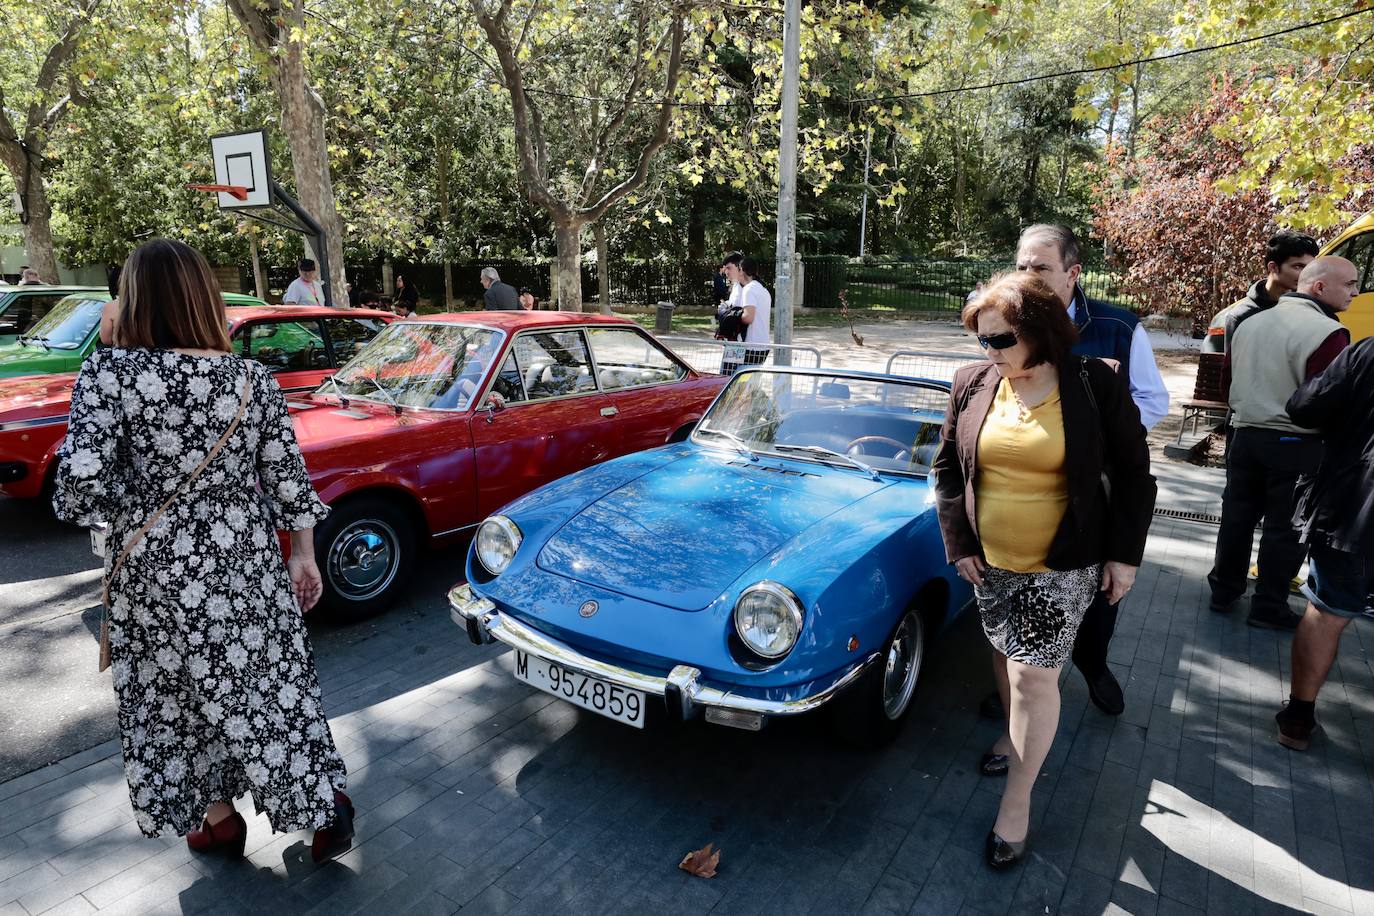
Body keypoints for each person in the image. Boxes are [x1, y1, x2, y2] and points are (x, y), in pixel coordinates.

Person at [51, 238, 354, 864]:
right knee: (268, 690)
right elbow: (288, 479)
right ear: (203, 299)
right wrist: (303, 555)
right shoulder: (249, 379)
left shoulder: (110, 373)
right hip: (242, 564)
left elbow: (80, 492)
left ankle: (217, 819)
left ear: (132, 299)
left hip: (153, 572)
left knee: (173, 699)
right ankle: (323, 809)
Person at [932, 270, 1155, 870]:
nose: (991, 352)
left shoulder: (1092, 385)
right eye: (982, 339)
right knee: (1006, 659)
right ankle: (1010, 736)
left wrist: (1125, 556)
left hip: (1064, 563)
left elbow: (1136, 474)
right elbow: (948, 470)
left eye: (1002, 340)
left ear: (1040, 333)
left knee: (1035, 676)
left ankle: (1016, 803)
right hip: (991, 563)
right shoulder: (972, 382)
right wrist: (959, 545)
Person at [1011, 223, 1168, 717]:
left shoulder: (1117, 327)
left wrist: (1102, 430)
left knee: (1100, 594)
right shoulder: (1009, 320)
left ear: (1072, 273)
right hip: (1028, 488)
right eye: (1021, 267)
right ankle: (1021, 684)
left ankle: (1093, 663)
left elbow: (1152, 399)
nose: (1028, 277)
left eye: (1041, 267)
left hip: (1098, 489)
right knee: (1024, 591)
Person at [1208, 257, 1357, 630]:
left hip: (1244, 434)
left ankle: (1223, 592)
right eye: (1350, 284)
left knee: (1236, 518)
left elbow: (1227, 382)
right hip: (1297, 443)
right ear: (1320, 287)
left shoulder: (1248, 322)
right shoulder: (1328, 333)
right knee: (1285, 530)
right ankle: (1268, 606)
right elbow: (1325, 396)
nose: (1355, 292)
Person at [1276, 300, 1374, 750]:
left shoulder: (1366, 353)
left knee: (1328, 611)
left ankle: (1297, 719)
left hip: (1352, 510)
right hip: (1352, 510)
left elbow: (1304, 406)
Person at [1203, 231, 1320, 355]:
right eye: (1298, 267)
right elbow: (1235, 367)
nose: (1306, 274)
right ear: (1273, 267)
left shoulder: (1309, 308)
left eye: (1309, 268)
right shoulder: (1242, 316)